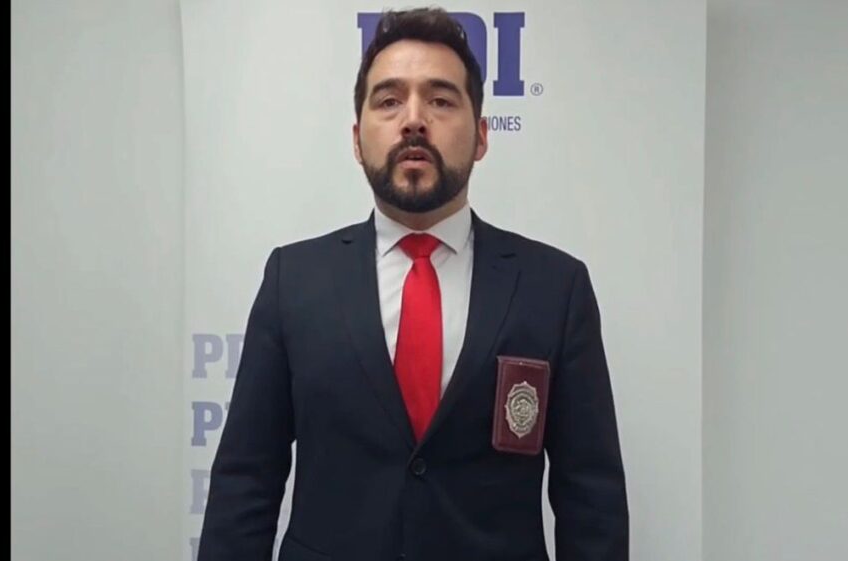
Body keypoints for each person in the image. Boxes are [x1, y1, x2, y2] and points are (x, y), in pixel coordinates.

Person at [198, 7, 629, 561]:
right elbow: (246, 481)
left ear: (481, 136)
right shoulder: (294, 281)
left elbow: (591, 500)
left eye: (441, 100)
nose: (414, 120)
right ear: (358, 140)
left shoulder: (555, 288)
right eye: (388, 100)